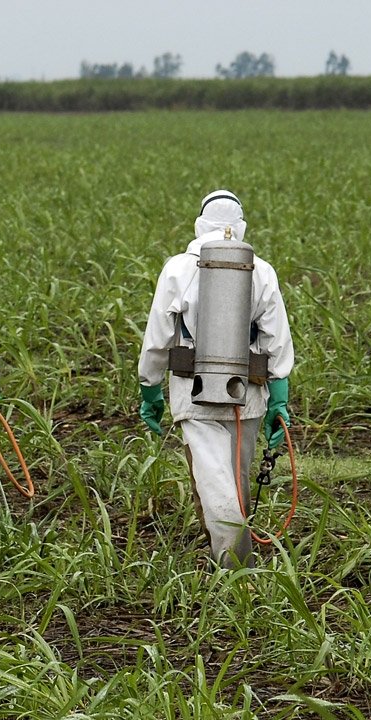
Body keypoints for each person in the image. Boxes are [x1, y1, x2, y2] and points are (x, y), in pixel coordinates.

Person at [137, 191, 295, 568]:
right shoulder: (262, 270)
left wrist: (149, 388)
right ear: (240, 227)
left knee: (212, 483)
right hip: (247, 392)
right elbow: (276, 338)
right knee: (236, 479)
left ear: (199, 225)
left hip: (193, 393)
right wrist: (279, 397)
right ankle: (232, 555)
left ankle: (232, 565)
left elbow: (158, 336)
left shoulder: (177, 269)